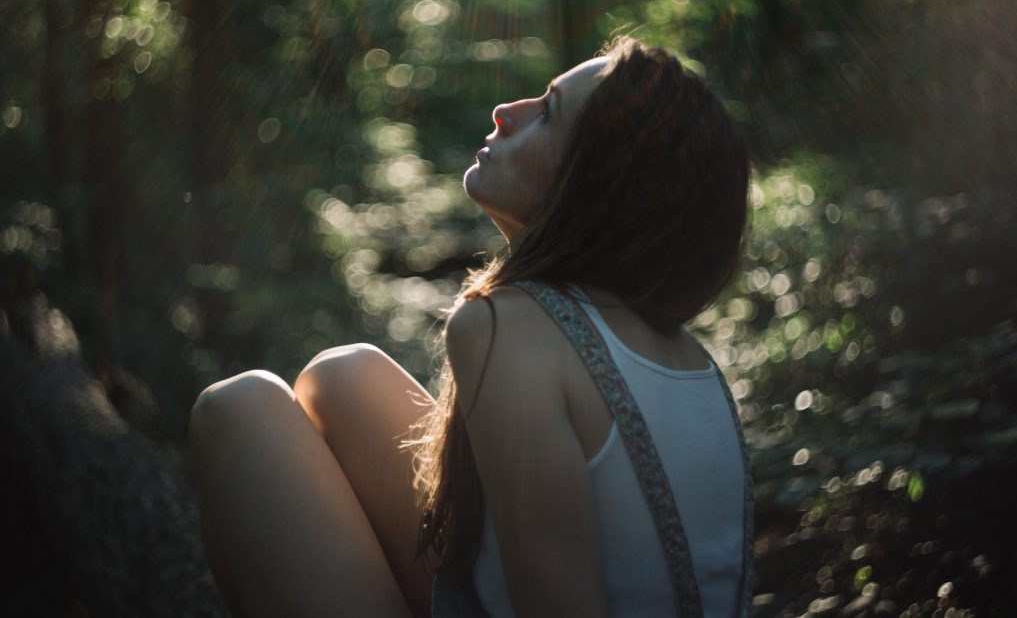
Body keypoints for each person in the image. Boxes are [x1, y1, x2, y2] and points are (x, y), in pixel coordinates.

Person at [189, 37, 753, 617]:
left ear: (599, 184)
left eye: (549, 112)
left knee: (237, 406)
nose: (506, 112)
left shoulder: (509, 326)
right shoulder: (694, 363)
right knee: (342, 374)